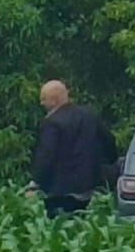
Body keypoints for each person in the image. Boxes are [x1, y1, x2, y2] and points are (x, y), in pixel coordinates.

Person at [27, 80, 118, 219]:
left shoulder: (51, 123)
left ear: (54, 100)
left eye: (43, 99)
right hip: (89, 189)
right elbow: (109, 142)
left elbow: (46, 156)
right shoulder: (89, 116)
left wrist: (35, 183)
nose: (41, 103)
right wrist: (109, 164)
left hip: (59, 193)